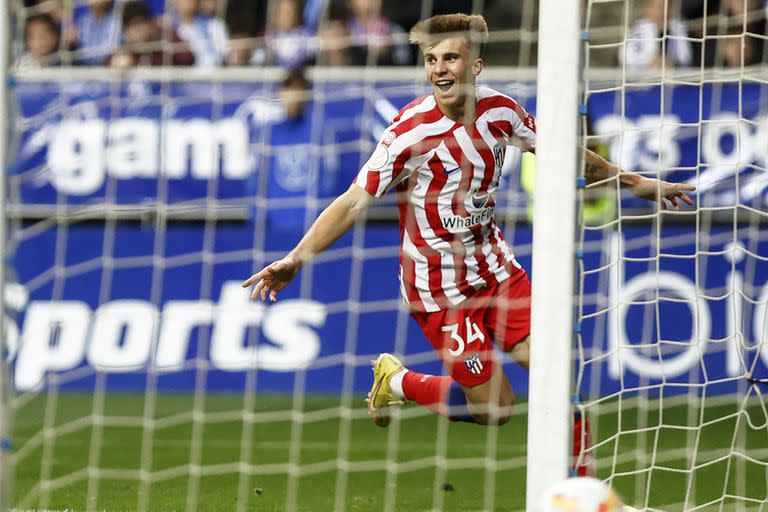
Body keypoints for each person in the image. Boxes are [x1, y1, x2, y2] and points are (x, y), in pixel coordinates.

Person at [241, 12, 695, 473]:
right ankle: (397, 382)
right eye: (431, 59)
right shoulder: (407, 132)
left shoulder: (502, 112)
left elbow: (570, 156)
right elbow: (354, 201)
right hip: (440, 291)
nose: (439, 68)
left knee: (558, 378)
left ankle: (583, 492)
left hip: (496, 271)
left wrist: (639, 182)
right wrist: (297, 257)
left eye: (451, 58)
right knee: (495, 409)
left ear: (475, 65)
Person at [107, 0, 194, 67]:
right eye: (132, 27)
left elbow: (188, 59)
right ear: (125, 32)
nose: (138, 31)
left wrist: (168, 33)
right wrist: (114, 65)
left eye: (141, 24)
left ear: (150, 25)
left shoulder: (161, 49)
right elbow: (105, 65)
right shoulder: (125, 52)